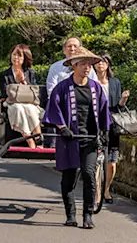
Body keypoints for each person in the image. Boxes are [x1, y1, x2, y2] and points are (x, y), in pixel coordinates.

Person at [43, 49, 110, 230]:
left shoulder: (96, 88)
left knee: (89, 175)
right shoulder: (62, 87)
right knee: (68, 178)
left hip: (89, 139)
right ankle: (70, 215)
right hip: (69, 139)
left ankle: (88, 215)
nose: (87, 68)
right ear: (74, 66)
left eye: (89, 64)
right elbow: (53, 109)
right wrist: (62, 127)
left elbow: (104, 111)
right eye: (83, 64)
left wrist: (104, 131)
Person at [94, 53, 129, 205]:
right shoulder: (90, 81)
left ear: (108, 65)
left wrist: (123, 99)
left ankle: (107, 189)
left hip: (112, 124)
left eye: (104, 62)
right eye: (98, 62)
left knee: (112, 162)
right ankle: (97, 192)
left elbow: (118, 106)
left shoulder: (115, 82)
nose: (100, 64)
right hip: (95, 124)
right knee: (96, 161)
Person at [0, 44, 44, 148]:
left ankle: (38, 137)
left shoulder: (30, 73)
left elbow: (34, 91)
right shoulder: (5, 74)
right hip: (11, 102)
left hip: (28, 102)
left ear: (25, 58)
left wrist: (23, 81)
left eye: (19, 55)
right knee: (18, 108)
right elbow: (5, 93)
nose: (16, 58)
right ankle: (30, 140)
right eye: (14, 54)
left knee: (30, 109)